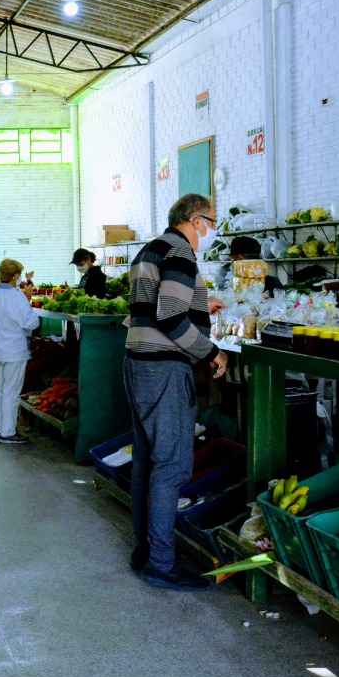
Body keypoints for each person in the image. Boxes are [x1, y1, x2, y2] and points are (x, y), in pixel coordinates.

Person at [125, 193, 228, 592]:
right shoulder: (181, 253)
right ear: (195, 219)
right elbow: (169, 317)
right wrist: (212, 352)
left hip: (137, 363)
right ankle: (162, 564)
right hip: (164, 369)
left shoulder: (151, 250)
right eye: (212, 220)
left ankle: (146, 550)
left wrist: (202, 301)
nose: (213, 229)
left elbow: (152, 307)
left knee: (147, 463)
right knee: (171, 467)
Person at [0, 258, 40, 444]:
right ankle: (8, 432)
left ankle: (0, 429)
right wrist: (28, 302)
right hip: (13, 351)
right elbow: (30, 322)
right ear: (16, 275)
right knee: (11, 392)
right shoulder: (15, 296)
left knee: (2, 391)